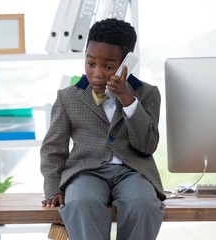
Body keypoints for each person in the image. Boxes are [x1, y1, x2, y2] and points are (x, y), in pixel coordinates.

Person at [40, 18, 166, 240]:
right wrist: (53, 188)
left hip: (133, 171)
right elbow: (53, 148)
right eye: (91, 64)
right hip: (86, 171)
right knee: (81, 202)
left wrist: (128, 101)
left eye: (108, 67)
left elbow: (147, 146)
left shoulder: (147, 94)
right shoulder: (68, 97)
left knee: (143, 204)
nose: (97, 73)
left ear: (127, 62)